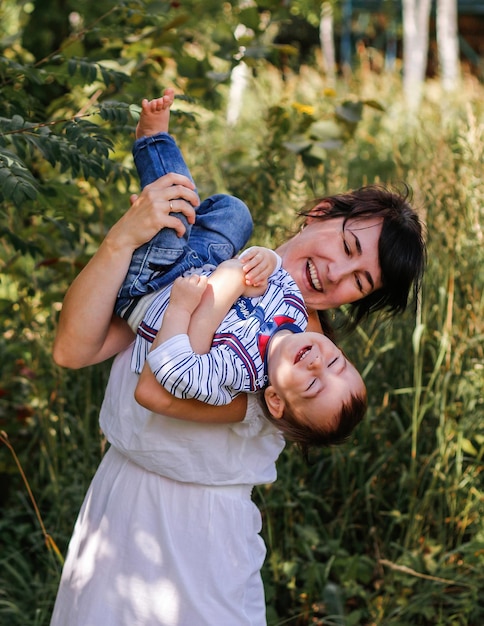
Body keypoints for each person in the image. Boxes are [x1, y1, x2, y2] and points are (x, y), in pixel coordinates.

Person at [50, 91, 426, 625]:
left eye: (360, 282)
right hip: (116, 509)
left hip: (200, 545)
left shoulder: (294, 368)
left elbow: (156, 393)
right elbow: (73, 348)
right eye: (345, 247)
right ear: (320, 215)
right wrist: (123, 238)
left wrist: (217, 290)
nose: (336, 275)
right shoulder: (218, 257)